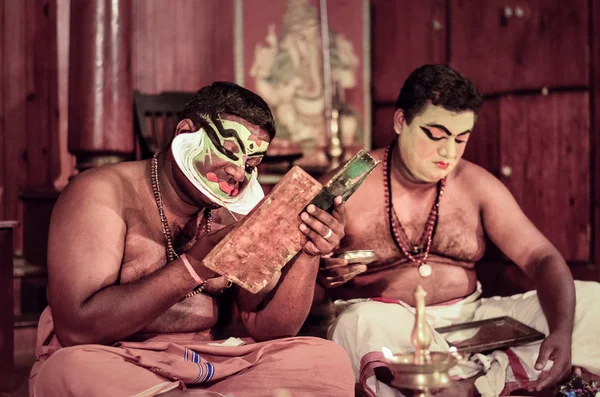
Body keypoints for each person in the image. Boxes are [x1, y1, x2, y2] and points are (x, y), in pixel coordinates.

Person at [29, 82, 355, 397]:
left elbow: (270, 330)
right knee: (70, 370)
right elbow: (76, 331)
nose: (239, 173)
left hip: (209, 363)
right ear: (186, 133)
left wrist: (310, 250)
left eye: (251, 163)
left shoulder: (235, 210)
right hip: (117, 361)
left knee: (325, 360)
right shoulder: (100, 192)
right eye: (228, 152)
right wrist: (195, 266)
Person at [317, 65, 600, 397]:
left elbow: (541, 258)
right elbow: (293, 281)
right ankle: (474, 385)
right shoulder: (349, 183)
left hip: (472, 323)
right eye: (436, 135)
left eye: (460, 138)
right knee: (358, 321)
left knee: (591, 302)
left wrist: (561, 332)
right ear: (400, 122)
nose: (449, 152)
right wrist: (319, 264)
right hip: (394, 330)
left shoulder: (475, 183)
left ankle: (465, 386)